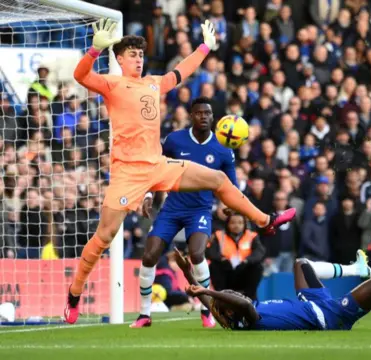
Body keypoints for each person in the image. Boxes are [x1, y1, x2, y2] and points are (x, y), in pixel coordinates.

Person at [65, 19, 295, 324]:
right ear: (119, 59)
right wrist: (95, 49)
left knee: (218, 179)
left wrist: (204, 48)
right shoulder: (112, 84)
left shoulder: (152, 83)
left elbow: (180, 73)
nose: (138, 59)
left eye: (140, 54)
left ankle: (265, 221)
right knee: (104, 236)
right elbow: (80, 75)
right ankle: (75, 293)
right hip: (127, 173)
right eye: (132, 54)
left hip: (158, 165)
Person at [130, 97, 236, 328]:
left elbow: (232, 187)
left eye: (208, 113)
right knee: (149, 256)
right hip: (172, 208)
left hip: (199, 210)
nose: (204, 117)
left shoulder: (222, 149)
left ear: (213, 117)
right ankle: (145, 314)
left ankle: (208, 309)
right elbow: (156, 169)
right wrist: (148, 195)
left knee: (197, 254)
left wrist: (229, 206)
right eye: (199, 113)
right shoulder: (175, 140)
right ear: (191, 116)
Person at [174, 249, 371, 331]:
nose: (241, 295)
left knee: (301, 264)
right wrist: (212, 294)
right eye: (235, 297)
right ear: (231, 308)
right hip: (328, 316)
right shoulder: (246, 318)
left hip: (310, 301)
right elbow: (242, 305)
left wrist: (191, 277)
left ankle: (355, 270)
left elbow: (203, 293)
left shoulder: (231, 312)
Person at [207, 210, 266, 301]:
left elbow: (259, 252)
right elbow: (211, 252)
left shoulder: (252, 236)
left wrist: (247, 260)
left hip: (244, 270)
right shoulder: (219, 235)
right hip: (226, 270)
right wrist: (222, 259)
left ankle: (250, 297)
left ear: (244, 224)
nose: (236, 225)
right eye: (233, 223)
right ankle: (222, 297)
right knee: (214, 266)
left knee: (258, 267)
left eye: (240, 223)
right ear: (227, 224)